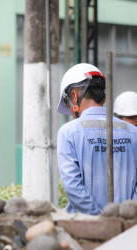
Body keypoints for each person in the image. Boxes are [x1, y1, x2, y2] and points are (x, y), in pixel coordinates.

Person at [57, 63, 137, 215]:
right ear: (104, 97)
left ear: (74, 96)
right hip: (128, 228)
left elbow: (73, 187)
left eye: (68, 106)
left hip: (87, 229)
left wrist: (99, 220)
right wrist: (125, 219)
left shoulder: (68, 133)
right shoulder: (134, 133)